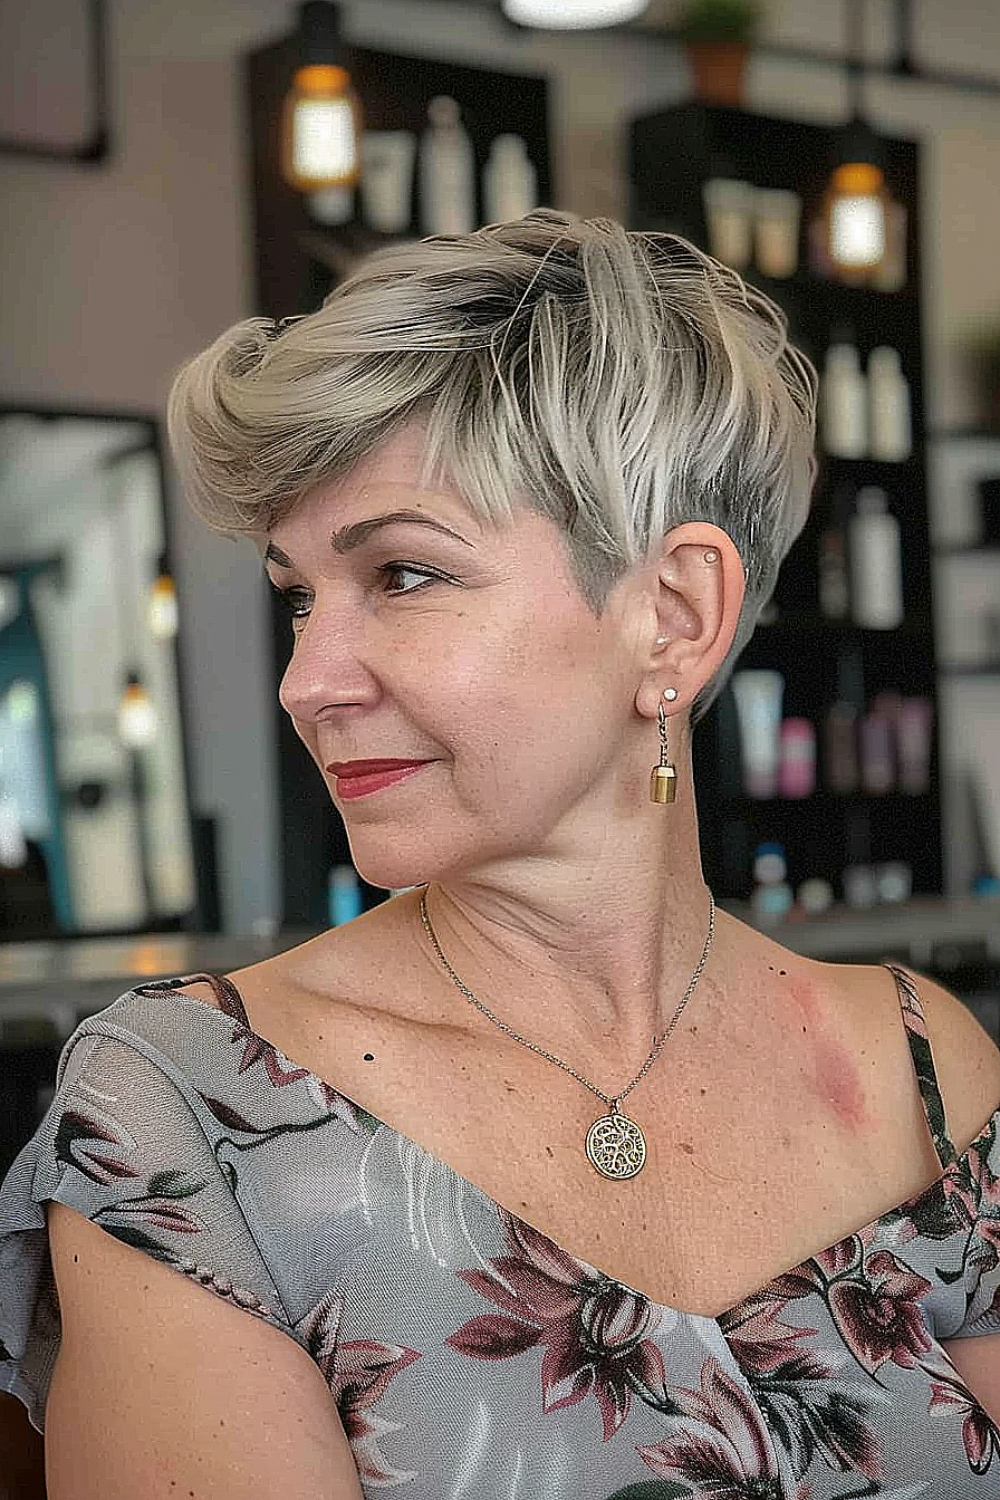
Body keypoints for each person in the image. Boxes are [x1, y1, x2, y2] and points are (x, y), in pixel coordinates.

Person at [1, 209, 999, 1499]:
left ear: (672, 617)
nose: (307, 681)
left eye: (404, 576)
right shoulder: (191, 1114)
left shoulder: (926, 1070)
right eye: (298, 592)